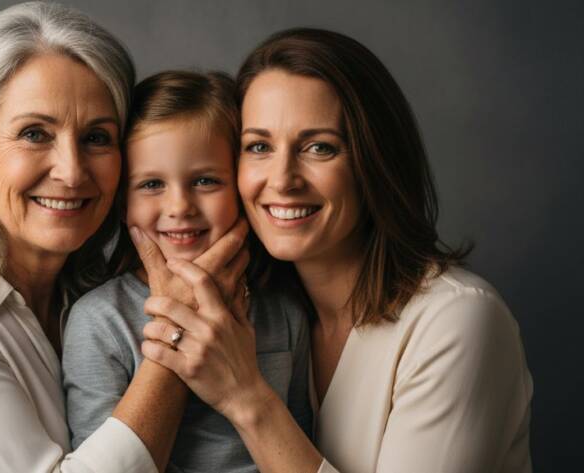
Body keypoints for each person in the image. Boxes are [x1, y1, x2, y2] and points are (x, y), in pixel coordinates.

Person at [0, 3, 248, 472]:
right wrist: (177, 330)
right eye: (35, 133)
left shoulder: (85, 299)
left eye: (96, 137)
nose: (72, 172)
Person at [139, 28, 533, 472]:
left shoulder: (457, 320)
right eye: (259, 147)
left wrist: (245, 396)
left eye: (319, 147)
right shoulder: (267, 310)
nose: (283, 179)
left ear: (374, 162)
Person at [62, 71, 312, 472]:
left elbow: (300, 446)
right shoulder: (100, 321)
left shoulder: (284, 312)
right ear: (122, 201)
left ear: (243, 186)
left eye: (205, 180)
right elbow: (100, 456)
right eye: (152, 184)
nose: (180, 206)